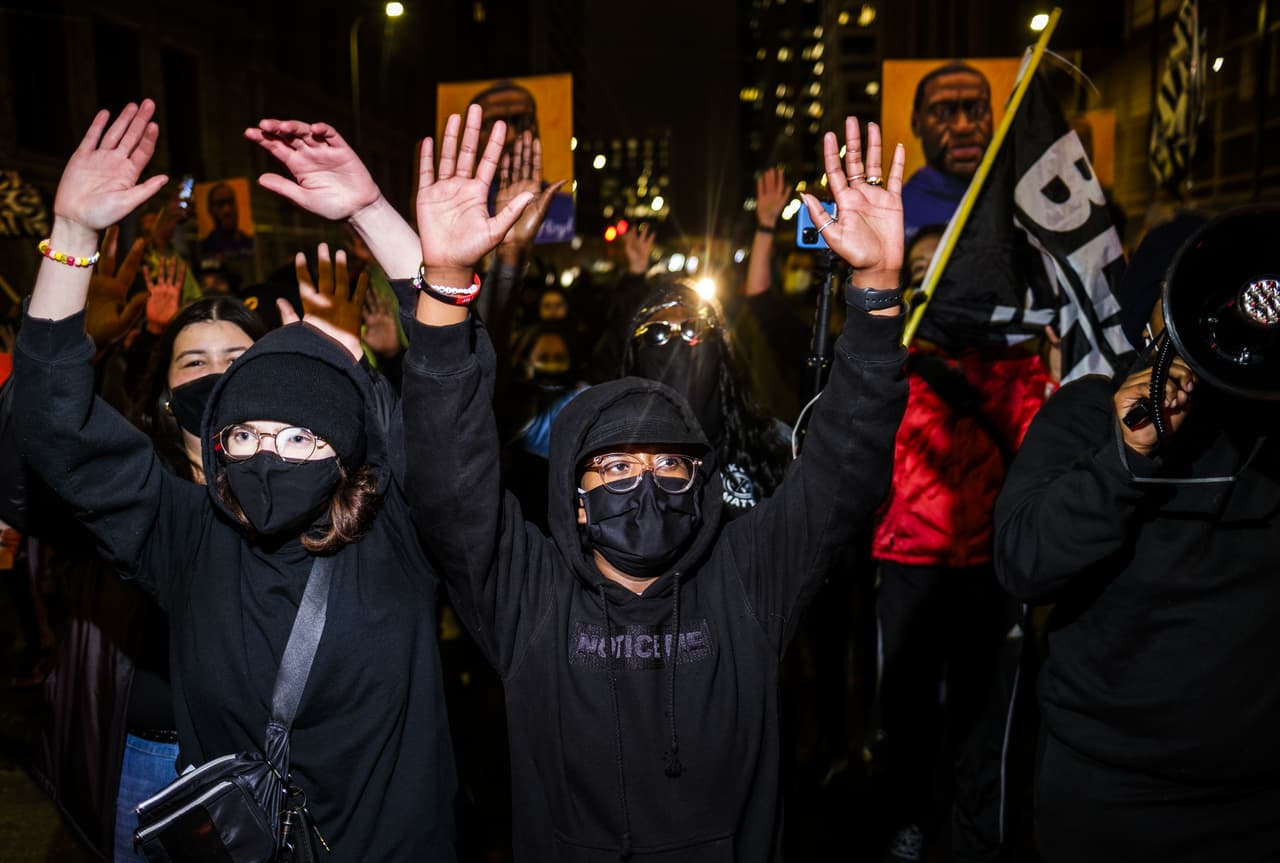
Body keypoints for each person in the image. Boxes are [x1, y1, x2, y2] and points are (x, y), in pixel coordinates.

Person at [402, 105, 907, 859]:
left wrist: (875, 290)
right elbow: (450, 483)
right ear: (573, 490)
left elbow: (845, 469)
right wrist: (444, 284)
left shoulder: (747, 581)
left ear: (701, 480)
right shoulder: (529, 599)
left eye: (669, 464)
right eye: (614, 465)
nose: (643, 483)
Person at [15, 100, 456, 862]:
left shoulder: (401, 533)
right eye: (243, 437)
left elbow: (452, 394)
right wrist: (73, 239)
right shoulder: (190, 537)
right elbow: (57, 429)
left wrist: (374, 215)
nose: (264, 457)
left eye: (295, 437)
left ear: (345, 447)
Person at [993, 208, 1280, 863]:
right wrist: (1124, 458)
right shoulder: (1091, 410)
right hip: (1113, 794)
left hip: (1258, 802)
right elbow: (1022, 559)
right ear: (1150, 312)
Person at [871, 225, 1055, 863]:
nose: (928, 276)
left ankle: (980, 841)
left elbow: (1039, 439)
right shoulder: (886, 353)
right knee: (908, 715)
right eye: (917, 267)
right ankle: (906, 822)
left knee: (984, 722)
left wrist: (1044, 370)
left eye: (939, 267)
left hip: (986, 568)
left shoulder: (1005, 361)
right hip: (908, 562)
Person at [621, 279, 791, 517]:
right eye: (657, 332)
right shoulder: (616, 459)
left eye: (695, 328)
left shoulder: (774, 442)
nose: (678, 341)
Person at [901, 63, 993, 241]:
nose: (962, 126)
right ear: (916, 123)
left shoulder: (1018, 201)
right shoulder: (900, 211)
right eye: (942, 113)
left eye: (977, 111)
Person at [199, 181, 254, 257]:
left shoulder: (249, 242)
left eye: (230, 202)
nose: (227, 210)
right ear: (210, 209)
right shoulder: (205, 246)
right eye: (220, 204)